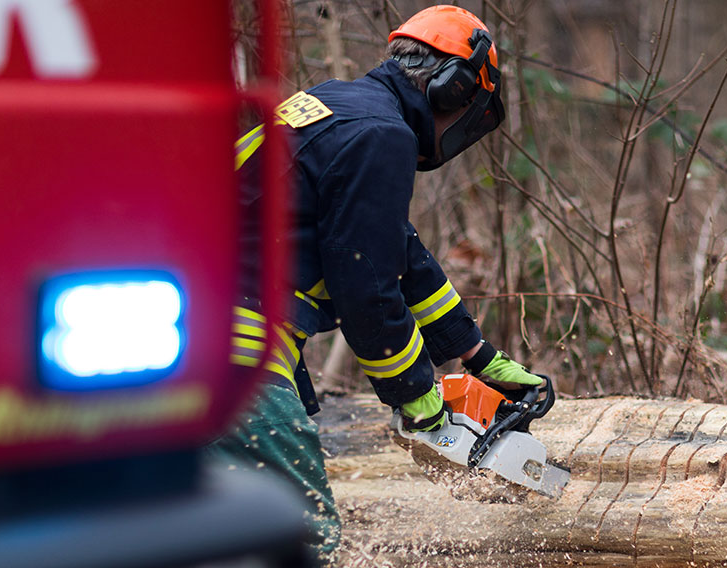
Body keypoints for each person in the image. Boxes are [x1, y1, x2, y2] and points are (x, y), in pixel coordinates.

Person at [204, 5, 546, 563]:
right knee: (300, 540)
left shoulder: (340, 106)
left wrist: (474, 353)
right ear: (452, 89)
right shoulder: (378, 133)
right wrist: (421, 402)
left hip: (182, 331)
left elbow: (396, 250)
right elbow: (366, 285)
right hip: (228, 353)